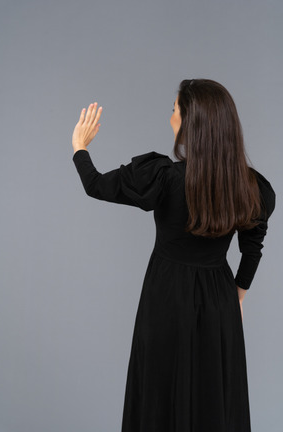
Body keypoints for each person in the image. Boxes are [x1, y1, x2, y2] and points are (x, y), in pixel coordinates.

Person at [71, 79, 276, 432]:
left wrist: (80, 148)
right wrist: (238, 294)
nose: (171, 116)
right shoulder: (249, 186)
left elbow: (96, 185)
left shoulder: (164, 177)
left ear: (190, 122)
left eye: (174, 109)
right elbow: (253, 244)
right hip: (218, 298)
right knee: (214, 395)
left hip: (165, 295)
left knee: (159, 394)